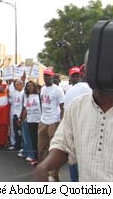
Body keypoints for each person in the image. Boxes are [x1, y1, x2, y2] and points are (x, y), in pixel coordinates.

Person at [34, 53, 113, 181]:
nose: (100, 72)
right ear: (85, 72)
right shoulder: (76, 107)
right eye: (93, 66)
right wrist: (43, 167)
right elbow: (63, 144)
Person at [63, 64, 92, 182]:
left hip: (75, 132)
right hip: (88, 132)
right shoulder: (91, 88)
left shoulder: (69, 92)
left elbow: (65, 114)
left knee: (74, 162)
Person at [37, 68, 65, 181]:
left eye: (48, 76)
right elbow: (41, 103)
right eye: (45, 75)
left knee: (53, 149)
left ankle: (54, 174)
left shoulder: (58, 90)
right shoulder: (43, 89)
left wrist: (61, 122)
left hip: (54, 121)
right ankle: (43, 171)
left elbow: (63, 107)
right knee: (41, 147)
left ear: (52, 77)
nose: (46, 77)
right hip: (43, 121)